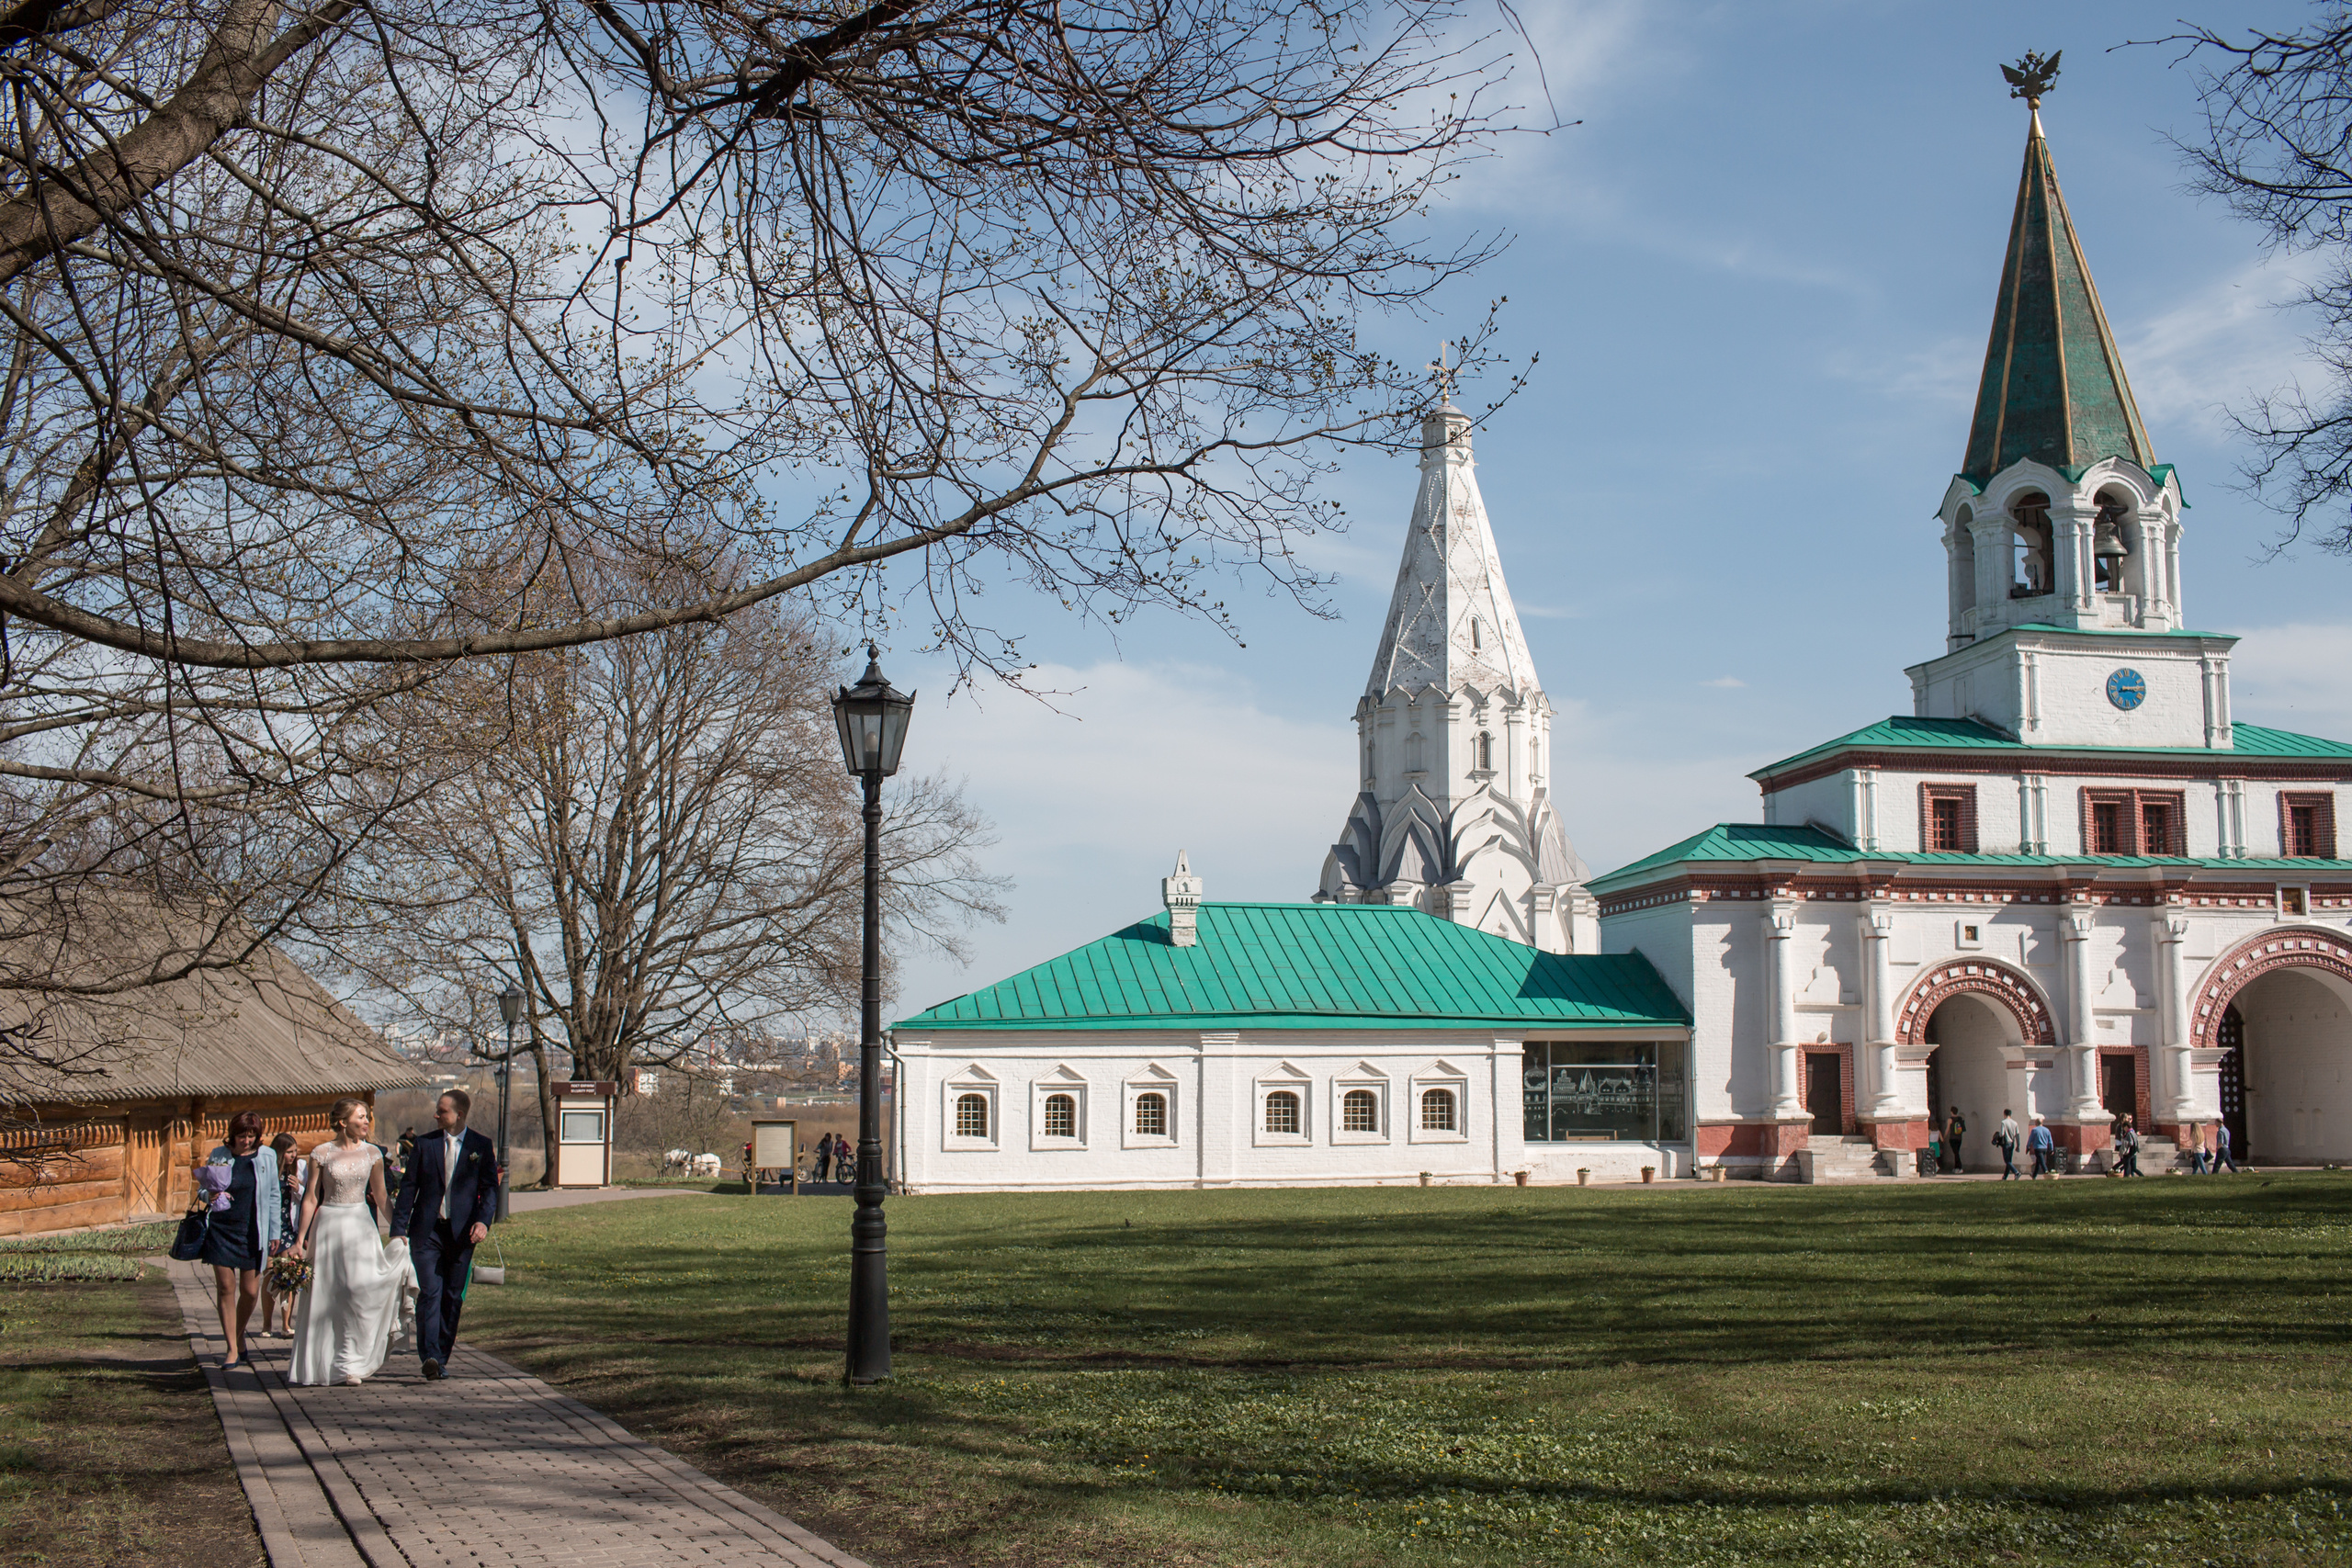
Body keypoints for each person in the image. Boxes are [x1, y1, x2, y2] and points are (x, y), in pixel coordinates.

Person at [287, 1100, 417, 1386]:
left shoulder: (372, 1154)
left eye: (367, 1117)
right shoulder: (321, 1153)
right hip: (329, 1226)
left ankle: (353, 1359)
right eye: (361, 1117)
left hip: (360, 1225)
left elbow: (381, 1196)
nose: (367, 1121)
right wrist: (300, 1239)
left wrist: (399, 1229)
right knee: (330, 1294)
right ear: (344, 1121)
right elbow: (310, 1198)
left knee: (356, 1291)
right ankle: (334, 1365)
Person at [390, 1089, 499, 1382]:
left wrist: (483, 1222)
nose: (436, 1115)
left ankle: (440, 1357)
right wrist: (398, 1230)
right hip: (427, 1232)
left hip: (462, 1235)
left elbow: (490, 1189)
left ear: (459, 1114)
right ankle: (429, 1356)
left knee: (452, 1296)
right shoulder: (424, 1145)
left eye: (442, 1111)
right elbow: (409, 1189)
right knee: (429, 1292)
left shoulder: (480, 1145)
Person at [198, 1110, 282, 1369]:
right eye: (242, 1136)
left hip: (253, 1231)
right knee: (226, 1288)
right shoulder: (219, 1155)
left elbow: (273, 1195)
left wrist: (275, 1232)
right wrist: (207, 1196)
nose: (246, 1141)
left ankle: (238, 1335)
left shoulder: (267, 1156)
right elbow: (203, 1188)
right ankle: (232, 1349)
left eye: (251, 1136)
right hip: (222, 1230)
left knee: (250, 1291)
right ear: (232, 1135)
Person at [258, 1133, 308, 1337]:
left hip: (289, 1228)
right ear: (279, 1152)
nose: (293, 1156)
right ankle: (266, 1323)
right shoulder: (269, 1171)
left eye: (295, 1151)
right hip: (271, 1229)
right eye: (289, 1152)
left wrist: (299, 1189)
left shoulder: (299, 1169)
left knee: (289, 1275)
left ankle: (286, 1324)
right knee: (270, 1275)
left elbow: (309, 1197)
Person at [2026, 1113, 2056, 1179]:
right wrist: (2051, 1149)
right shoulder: (2047, 1130)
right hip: (2045, 1148)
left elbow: (2030, 1139)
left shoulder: (2034, 1130)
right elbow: (2050, 1141)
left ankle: (2046, 1171)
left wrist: (2028, 1147)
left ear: (2036, 1123)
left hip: (2037, 1148)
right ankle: (2034, 1175)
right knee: (2038, 1161)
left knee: (2041, 1161)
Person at [1996, 1109, 2023, 1180]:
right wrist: (2018, 1145)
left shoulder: (2003, 1122)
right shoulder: (2015, 1123)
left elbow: (2002, 1134)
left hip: (2006, 1143)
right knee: (2009, 1161)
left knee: (2007, 1161)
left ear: (2004, 1114)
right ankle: (2005, 1177)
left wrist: (1997, 1138)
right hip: (2012, 1143)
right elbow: (2017, 1135)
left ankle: (2016, 1172)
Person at [2113, 1114, 2142, 1178]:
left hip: (2129, 1151)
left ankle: (2119, 1170)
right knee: (2130, 1165)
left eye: (2130, 1119)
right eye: (2128, 1119)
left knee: (2127, 1164)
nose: (2129, 1120)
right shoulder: (2131, 1131)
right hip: (2132, 1150)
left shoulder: (2129, 1133)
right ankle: (2130, 1174)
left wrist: (2126, 1145)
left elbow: (2130, 1142)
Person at [1944, 1109, 1967, 1174]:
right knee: (1956, 1153)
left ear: (1951, 1111)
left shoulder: (1950, 1119)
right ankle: (1956, 1167)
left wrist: (1944, 1137)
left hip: (1953, 1138)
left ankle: (1959, 1167)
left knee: (1956, 1153)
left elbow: (1947, 1129)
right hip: (1959, 1138)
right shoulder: (1960, 1118)